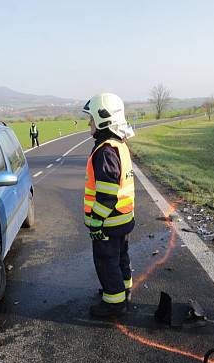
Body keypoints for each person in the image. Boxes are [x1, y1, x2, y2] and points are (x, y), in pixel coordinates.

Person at [82, 93, 137, 318]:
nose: (89, 123)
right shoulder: (118, 144)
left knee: (106, 261)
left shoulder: (105, 150)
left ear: (103, 119)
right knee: (121, 257)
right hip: (123, 219)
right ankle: (123, 290)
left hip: (108, 222)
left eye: (91, 119)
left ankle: (114, 303)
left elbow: (107, 194)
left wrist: (95, 222)